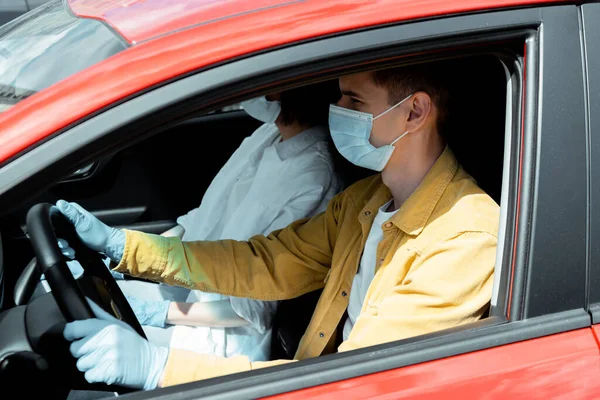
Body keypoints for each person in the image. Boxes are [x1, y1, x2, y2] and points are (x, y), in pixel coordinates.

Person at [58, 60, 500, 390]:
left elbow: (357, 383)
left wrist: (159, 368)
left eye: (354, 100)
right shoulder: (366, 201)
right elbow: (267, 261)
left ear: (415, 112)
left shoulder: (464, 240)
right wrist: (126, 247)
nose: (336, 108)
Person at [57, 80, 344, 364]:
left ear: (286, 86)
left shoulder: (315, 176)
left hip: (222, 339)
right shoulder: (266, 136)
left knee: (71, 336)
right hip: (190, 291)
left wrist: (158, 311)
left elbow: (251, 306)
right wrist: (120, 256)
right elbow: (201, 222)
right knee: (65, 299)